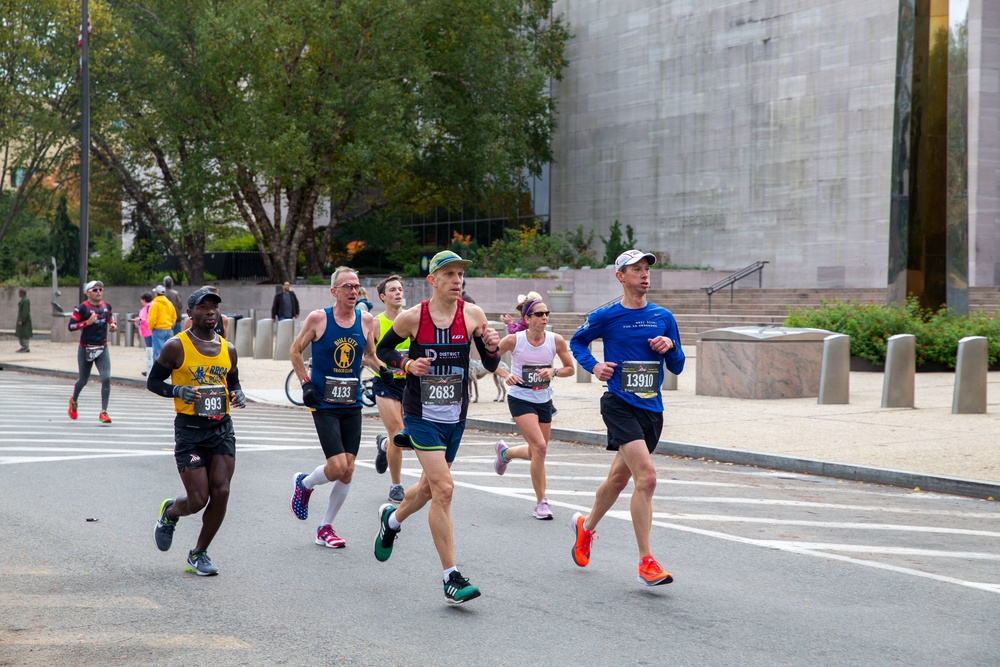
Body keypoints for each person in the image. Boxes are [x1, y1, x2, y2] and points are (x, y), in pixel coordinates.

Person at [373, 250, 501, 605]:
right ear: (433, 280)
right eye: (450, 275)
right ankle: (451, 578)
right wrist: (407, 362)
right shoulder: (414, 318)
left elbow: (490, 363)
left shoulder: (473, 315)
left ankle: (392, 521)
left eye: (461, 274)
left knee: (429, 490)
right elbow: (384, 350)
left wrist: (492, 349)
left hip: (455, 416)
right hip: (420, 415)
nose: (457, 281)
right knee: (444, 488)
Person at [568, 249, 685, 587]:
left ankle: (585, 528)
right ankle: (646, 561)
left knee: (619, 480)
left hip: (652, 410)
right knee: (646, 478)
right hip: (619, 404)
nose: (644, 275)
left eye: (647, 269)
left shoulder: (664, 317)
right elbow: (578, 343)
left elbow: (677, 366)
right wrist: (595, 367)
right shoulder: (606, 315)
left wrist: (670, 347)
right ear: (621, 276)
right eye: (636, 270)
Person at [148, 287, 246, 576]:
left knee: (222, 490)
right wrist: (176, 389)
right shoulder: (176, 346)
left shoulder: (228, 349)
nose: (210, 312)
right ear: (189, 313)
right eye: (203, 307)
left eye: (214, 307)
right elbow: (154, 382)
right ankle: (170, 513)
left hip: (221, 429)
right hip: (190, 430)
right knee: (198, 499)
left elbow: (234, 382)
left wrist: (238, 394)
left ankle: (198, 553)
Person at [287, 266, 385, 550]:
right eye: (347, 287)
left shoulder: (366, 320)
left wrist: (384, 371)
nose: (353, 291)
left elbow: (369, 356)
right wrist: (306, 383)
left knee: (349, 469)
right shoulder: (319, 318)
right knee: (338, 464)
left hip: (351, 402)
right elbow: (295, 350)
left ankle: (325, 527)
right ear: (334, 291)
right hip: (324, 402)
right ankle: (305, 484)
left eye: (356, 287)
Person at [492, 298, 575, 520]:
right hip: (520, 398)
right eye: (539, 314)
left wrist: (553, 372)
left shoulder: (555, 341)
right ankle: (541, 503)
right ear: (527, 319)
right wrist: (506, 374)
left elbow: (570, 369)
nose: (544, 317)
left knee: (535, 451)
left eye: (546, 313)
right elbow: (488, 359)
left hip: (544, 399)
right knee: (540, 447)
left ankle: (505, 453)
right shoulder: (514, 340)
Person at [372, 275, 410, 503]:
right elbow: (368, 354)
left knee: (408, 436)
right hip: (385, 383)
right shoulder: (377, 323)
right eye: (392, 290)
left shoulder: (411, 319)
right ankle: (396, 485)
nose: (398, 292)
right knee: (397, 431)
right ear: (383, 297)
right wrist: (380, 366)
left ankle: (383, 444)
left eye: (400, 289)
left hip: (410, 384)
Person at [67, 280, 118, 423]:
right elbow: (71, 326)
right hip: (86, 348)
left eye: (100, 289)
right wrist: (87, 323)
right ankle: (74, 400)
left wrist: (113, 325)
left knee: (106, 378)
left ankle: (104, 412)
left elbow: (110, 319)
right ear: (88, 292)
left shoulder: (107, 306)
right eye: (95, 290)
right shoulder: (82, 308)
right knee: (83, 380)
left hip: (102, 347)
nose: (98, 292)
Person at [148, 284, 177, 363]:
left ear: (156, 293)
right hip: (168, 329)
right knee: (168, 352)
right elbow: (174, 316)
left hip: (158, 329)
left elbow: (152, 318)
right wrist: (170, 325)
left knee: (158, 353)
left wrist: (151, 327)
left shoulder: (155, 304)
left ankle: (158, 373)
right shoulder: (169, 303)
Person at [130, 292, 153, 376]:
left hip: (149, 332)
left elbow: (149, 321)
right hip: (147, 332)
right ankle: (149, 369)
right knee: (150, 352)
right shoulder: (147, 308)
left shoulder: (150, 308)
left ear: (144, 300)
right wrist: (137, 323)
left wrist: (140, 320)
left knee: (150, 352)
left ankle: (150, 370)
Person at [15, 288, 32, 353]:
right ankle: (23, 346)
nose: (19, 294)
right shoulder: (23, 300)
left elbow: (25, 311)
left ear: (22, 293)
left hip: (25, 321)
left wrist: (22, 320)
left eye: (19, 293)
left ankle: (26, 347)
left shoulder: (26, 300)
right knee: (20, 334)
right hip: (21, 319)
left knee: (25, 334)